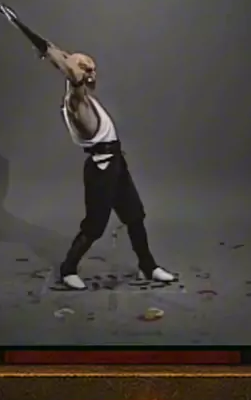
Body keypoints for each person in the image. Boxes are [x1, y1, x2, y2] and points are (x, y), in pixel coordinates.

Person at [42, 41, 176, 290]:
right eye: (87, 70)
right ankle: (68, 269)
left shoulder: (86, 98)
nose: (93, 75)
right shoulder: (75, 101)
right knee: (95, 226)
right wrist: (63, 61)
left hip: (116, 164)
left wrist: (49, 50)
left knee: (135, 216)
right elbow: (72, 74)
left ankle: (148, 266)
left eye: (93, 69)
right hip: (101, 169)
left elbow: (66, 62)